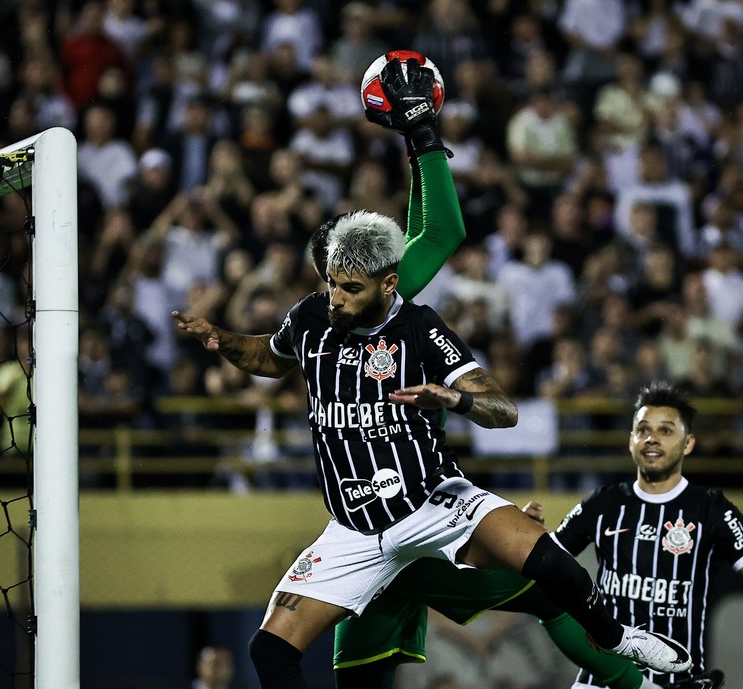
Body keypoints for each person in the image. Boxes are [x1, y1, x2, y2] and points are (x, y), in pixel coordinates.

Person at [174, 57, 692, 689]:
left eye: (348, 282)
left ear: (384, 280)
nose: (334, 294)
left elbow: (439, 233)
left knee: (549, 579)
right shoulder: (314, 314)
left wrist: (420, 132)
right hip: (359, 536)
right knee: (321, 665)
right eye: (328, 279)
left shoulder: (409, 313)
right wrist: (221, 337)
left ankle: (639, 671)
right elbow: (267, 354)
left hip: (432, 510)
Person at [551, 380, 743, 689]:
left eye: (665, 430)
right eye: (642, 430)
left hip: (678, 682)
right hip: (602, 680)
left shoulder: (711, 509)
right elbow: (540, 563)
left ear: (688, 443)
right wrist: (526, 530)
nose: (651, 439)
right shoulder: (602, 504)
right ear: (631, 439)